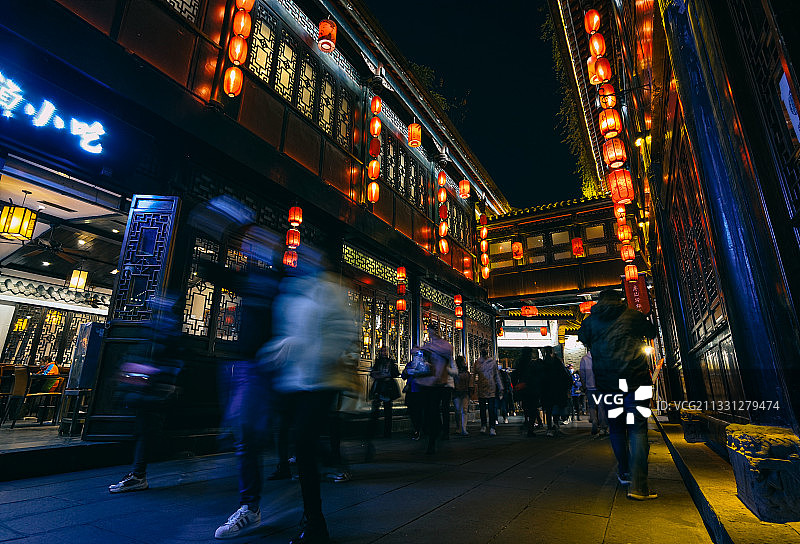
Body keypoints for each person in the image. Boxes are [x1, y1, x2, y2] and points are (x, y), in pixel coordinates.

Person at [259, 250, 358, 543]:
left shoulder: (332, 290)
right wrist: (277, 353)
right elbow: (286, 334)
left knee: (303, 443)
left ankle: (315, 521)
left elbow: (343, 330)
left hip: (323, 380)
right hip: (294, 381)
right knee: (302, 443)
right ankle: (318, 499)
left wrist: (318, 356)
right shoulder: (291, 292)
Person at [578, 289, 658, 501]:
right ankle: (639, 485)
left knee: (616, 429)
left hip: (608, 384)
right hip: (636, 380)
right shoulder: (632, 316)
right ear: (619, 300)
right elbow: (652, 332)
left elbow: (582, 337)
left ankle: (624, 472)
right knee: (638, 429)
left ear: (599, 302)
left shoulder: (590, 322)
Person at [415, 323, 456, 454]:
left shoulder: (444, 345)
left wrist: (428, 349)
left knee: (433, 411)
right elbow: (417, 353)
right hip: (425, 383)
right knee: (427, 412)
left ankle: (433, 439)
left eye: (432, 330)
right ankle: (433, 433)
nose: (431, 333)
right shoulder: (428, 345)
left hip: (437, 384)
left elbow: (448, 352)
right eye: (429, 331)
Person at [367, 346, 400, 440]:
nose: (384, 353)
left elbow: (396, 373)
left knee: (388, 411)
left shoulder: (391, 362)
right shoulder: (378, 362)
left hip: (388, 387)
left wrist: (387, 375)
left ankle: (387, 433)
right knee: (375, 411)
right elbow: (373, 373)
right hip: (379, 387)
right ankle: (372, 432)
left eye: (386, 351)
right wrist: (378, 374)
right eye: (383, 351)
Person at [539, 346, 572, 437]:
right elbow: (566, 376)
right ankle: (556, 425)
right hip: (558, 389)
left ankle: (549, 428)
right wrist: (566, 387)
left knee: (548, 409)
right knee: (556, 407)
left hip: (547, 390)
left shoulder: (543, 364)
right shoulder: (557, 362)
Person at [473, 344, 503, 436]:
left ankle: (492, 427)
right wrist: (472, 385)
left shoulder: (492, 362)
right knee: (482, 408)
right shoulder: (477, 362)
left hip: (491, 387)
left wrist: (500, 387)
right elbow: (474, 375)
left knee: (491, 408)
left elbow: (496, 375)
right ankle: (484, 425)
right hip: (482, 387)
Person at [579, 350, 608, 438]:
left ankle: (594, 421)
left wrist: (584, 385)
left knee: (592, 406)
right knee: (601, 406)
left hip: (589, 387)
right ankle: (603, 427)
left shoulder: (584, 359)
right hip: (600, 387)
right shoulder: (601, 358)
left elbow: (582, 374)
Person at [512, 347, 537, 437]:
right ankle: (531, 427)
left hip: (522, 388)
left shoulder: (519, 363)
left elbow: (515, 375)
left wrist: (516, 386)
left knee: (526, 407)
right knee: (533, 408)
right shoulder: (532, 364)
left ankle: (527, 421)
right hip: (532, 388)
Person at [452, 355, 471, 436]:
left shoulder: (465, 372)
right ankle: (459, 427)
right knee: (458, 411)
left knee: (464, 410)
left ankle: (463, 428)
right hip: (457, 392)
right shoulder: (456, 372)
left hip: (464, 392)